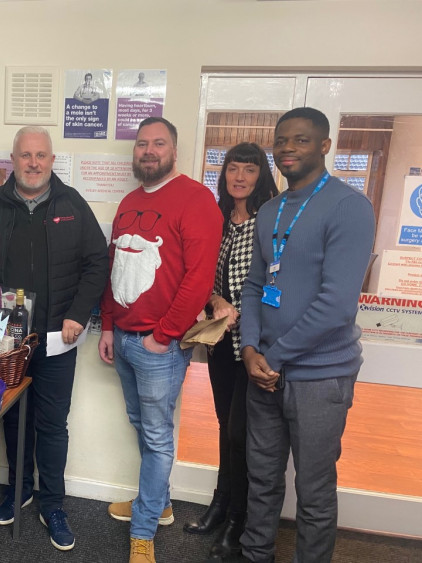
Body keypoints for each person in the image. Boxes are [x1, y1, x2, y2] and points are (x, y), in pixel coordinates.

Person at [0, 126, 108, 552]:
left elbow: (96, 264)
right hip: (4, 342)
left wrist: (78, 315)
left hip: (57, 338)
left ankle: (53, 503)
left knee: (52, 424)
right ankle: (19, 490)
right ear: (12, 161)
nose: (33, 163)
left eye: (41, 155)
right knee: (15, 420)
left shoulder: (72, 204)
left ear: (52, 160)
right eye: (25, 155)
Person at [236, 107, 375, 563]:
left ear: (324, 146)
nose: (288, 149)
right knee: (262, 479)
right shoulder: (271, 209)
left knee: (314, 491)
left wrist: (275, 357)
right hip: (265, 371)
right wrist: (251, 349)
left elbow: (337, 305)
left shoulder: (349, 207)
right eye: (281, 141)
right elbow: (255, 286)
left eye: (300, 140)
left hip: (320, 377)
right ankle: (256, 554)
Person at [98, 117, 222, 563]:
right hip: (126, 340)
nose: (149, 150)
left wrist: (163, 336)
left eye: (159, 143)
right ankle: (161, 504)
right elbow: (115, 270)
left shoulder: (197, 199)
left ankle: (144, 529)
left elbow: (198, 278)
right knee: (145, 428)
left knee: (156, 437)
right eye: (142, 144)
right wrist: (109, 325)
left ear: (173, 150)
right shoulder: (130, 201)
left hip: (159, 347)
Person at [183, 143, 278, 560]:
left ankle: (240, 518)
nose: (239, 177)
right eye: (233, 169)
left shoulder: (270, 220)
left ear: (262, 176)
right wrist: (216, 299)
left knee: (243, 434)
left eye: (250, 170)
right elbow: (204, 275)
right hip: (222, 343)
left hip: (255, 346)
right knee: (226, 427)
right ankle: (221, 505)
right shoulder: (219, 220)